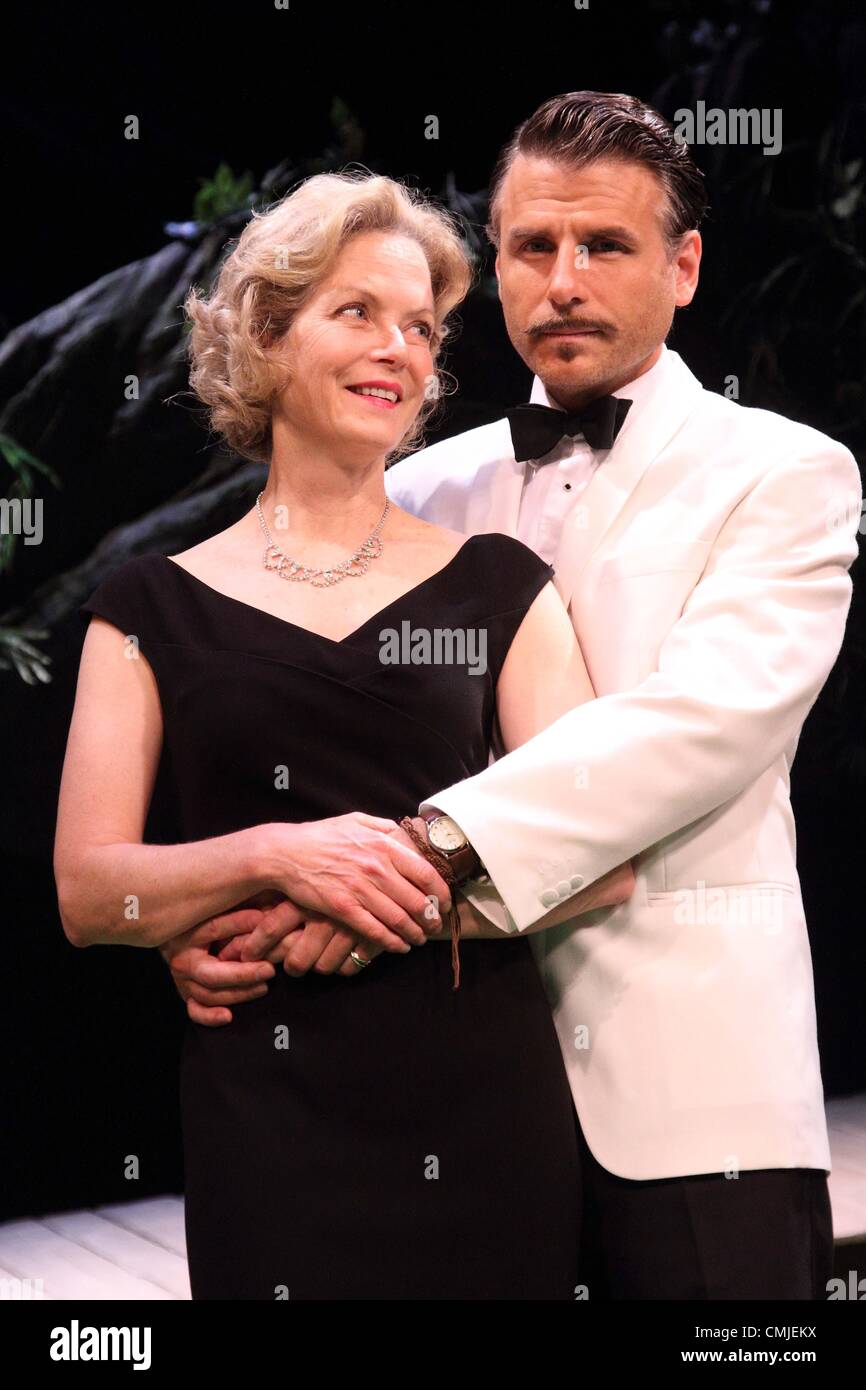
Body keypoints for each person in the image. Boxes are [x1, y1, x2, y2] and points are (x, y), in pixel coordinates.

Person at [170, 91, 862, 1300]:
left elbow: (697, 726)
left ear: (684, 266)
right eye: (530, 248)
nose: (562, 281)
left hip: (692, 1110)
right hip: (450, 1104)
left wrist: (427, 848)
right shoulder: (427, 488)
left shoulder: (784, 472)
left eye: (603, 246)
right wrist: (230, 917)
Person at [54, 169, 635, 1300]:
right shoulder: (146, 604)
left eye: (419, 326)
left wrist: (389, 904)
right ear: (267, 336)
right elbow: (89, 892)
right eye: (356, 312)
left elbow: (598, 858)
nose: (400, 348)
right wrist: (279, 854)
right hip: (265, 1126)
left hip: (483, 1112)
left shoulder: (502, 583)